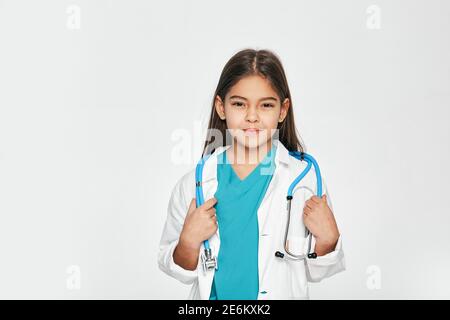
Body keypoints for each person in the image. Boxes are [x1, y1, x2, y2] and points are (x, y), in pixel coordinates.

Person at [158, 48, 345, 299]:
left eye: (266, 105)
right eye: (239, 104)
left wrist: (329, 239)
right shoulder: (195, 183)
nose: (252, 117)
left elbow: (318, 271)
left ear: (282, 110)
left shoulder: (303, 179)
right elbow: (178, 269)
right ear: (221, 107)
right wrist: (189, 243)